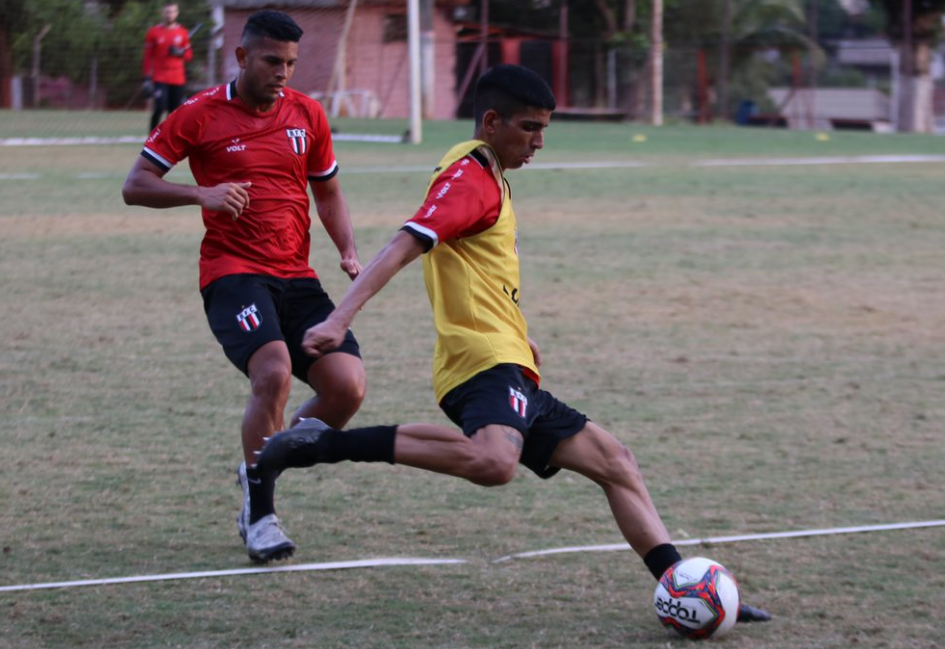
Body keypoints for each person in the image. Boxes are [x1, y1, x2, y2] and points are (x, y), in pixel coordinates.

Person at [255, 64, 771, 624]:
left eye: (545, 129)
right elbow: (406, 244)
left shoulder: (486, 170)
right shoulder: (469, 177)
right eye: (529, 128)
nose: (539, 142)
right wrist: (340, 317)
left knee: (616, 462)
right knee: (493, 461)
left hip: (510, 360)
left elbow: (477, 270)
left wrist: (521, 334)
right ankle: (318, 444)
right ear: (492, 121)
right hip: (481, 362)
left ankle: (687, 589)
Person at [122, 10, 367, 564]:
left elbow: (327, 192)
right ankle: (260, 514)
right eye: (272, 61)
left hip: (297, 276)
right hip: (233, 272)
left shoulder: (308, 114)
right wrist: (200, 194)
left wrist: (346, 249)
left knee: (346, 388)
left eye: (291, 63)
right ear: (241, 57)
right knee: (274, 371)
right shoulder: (198, 114)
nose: (283, 72)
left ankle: (261, 462)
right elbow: (135, 185)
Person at [142, 2, 193, 131]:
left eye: (172, 12)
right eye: (167, 12)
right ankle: (151, 138)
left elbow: (188, 55)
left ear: (177, 13)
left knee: (174, 112)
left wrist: (180, 52)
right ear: (162, 13)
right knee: (159, 107)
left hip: (178, 79)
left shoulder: (182, 33)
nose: (170, 15)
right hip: (160, 77)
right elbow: (148, 57)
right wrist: (146, 78)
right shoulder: (153, 32)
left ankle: (170, 140)